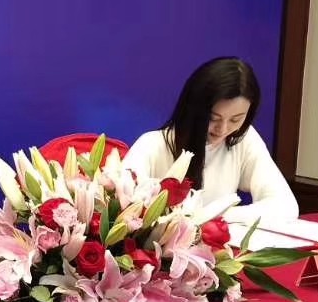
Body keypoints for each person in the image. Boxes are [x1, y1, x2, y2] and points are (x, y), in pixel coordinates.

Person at [123, 56, 299, 225]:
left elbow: (285, 205)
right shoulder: (152, 145)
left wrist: (219, 216)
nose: (223, 129)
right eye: (213, 118)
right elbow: (124, 202)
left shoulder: (242, 140)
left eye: (236, 119)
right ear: (194, 109)